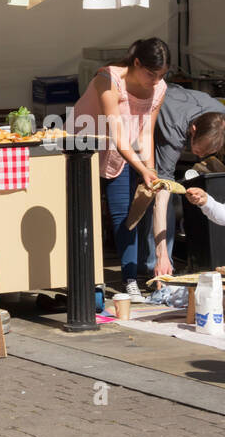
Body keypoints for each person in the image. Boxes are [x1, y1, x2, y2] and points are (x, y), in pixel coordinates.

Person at [72, 37, 170, 303]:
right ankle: (83, 279)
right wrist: (141, 165)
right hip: (84, 149)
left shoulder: (159, 88)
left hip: (125, 152)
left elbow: (147, 130)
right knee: (84, 216)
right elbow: (115, 132)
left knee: (127, 215)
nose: (155, 80)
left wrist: (149, 168)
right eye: (151, 73)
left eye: (161, 75)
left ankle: (130, 280)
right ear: (136, 63)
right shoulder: (108, 78)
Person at [153, 86, 225, 264]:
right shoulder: (173, 129)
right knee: (162, 198)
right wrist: (161, 254)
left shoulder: (220, 115)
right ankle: (159, 264)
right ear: (193, 130)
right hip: (138, 118)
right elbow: (161, 190)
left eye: (209, 151)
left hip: (174, 100)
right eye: (199, 150)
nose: (200, 156)